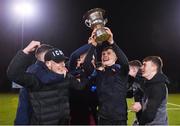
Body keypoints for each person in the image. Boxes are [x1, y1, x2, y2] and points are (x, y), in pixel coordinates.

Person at [7, 41, 86, 124]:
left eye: (62, 61)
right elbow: (13, 74)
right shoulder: (35, 78)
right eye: (58, 62)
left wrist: (83, 73)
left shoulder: (65, 76)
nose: (63, 64)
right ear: (47, 63)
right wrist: (25, 51)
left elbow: (80, 86)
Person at [83, 27, 129, 125]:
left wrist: (112, 42)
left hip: (119, 118)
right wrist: (93, 45)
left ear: (116, 57)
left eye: (108, 53)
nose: (105, 55)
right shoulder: (99, 73)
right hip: (104, 118)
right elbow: (86, 64)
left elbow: (125, 63)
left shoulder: (121, 71)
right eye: (103, 54)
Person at [15, 43, 65, 124]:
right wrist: (62, 75)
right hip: (28, 119)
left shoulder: (40, 69)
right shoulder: (35, 69)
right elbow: (46, 80)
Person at [130, 56, 169, 125]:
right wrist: (141, 104)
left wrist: (139, 123)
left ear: (154, 67)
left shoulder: (158, 87)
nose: (141, 67)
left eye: (144, 65)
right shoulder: (148, 83)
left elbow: (149, 114)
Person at [68, 44, 98, 125]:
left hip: (90, 107)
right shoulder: (72, 69)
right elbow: (74, 55)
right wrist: (91, 44)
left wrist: (93, 87)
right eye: (86, 56)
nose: (90, 59)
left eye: (92, 58)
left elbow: (93, 88)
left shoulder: (91, 71)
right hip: (76, 107)